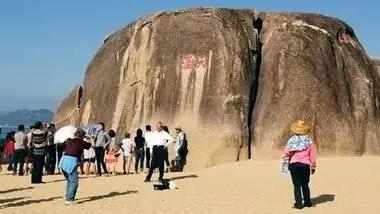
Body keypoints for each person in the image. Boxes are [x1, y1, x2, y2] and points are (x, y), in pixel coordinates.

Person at [282, 120, 317, 209]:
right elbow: (312, 155)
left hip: (294, 165)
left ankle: (298, 204)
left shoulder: (292, 140)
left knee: (297, 185)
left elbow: (286, 152)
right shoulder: (309, 142)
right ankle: (308, 202)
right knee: (305, 184)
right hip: (305, 165)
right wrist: (313, 166)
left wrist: (285, 164)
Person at [59, 129, 91, 205]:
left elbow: (62, 147)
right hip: (72, 161)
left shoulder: (68, 140)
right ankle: (69, 199)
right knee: (74, 182)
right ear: (83, 136)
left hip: (63, 160)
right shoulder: (82, 142)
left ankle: (67, 196)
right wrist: (89, 138)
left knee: (69, 180)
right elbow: (90, 145)